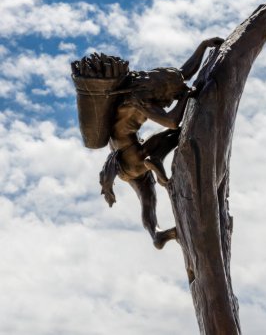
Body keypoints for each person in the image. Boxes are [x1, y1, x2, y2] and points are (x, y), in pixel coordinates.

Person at [72, 37, 224, 248]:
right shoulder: (141, 101)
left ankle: (157, 234)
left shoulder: (139, 90)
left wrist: (204, 46)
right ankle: (155, 158)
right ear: (162, 90)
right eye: (171, 96)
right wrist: (187, 98)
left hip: (121, 164)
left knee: (147, 201)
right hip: (134, 155)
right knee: (175, 134)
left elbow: (184, 73)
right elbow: (171, 121)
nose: (171, 99)